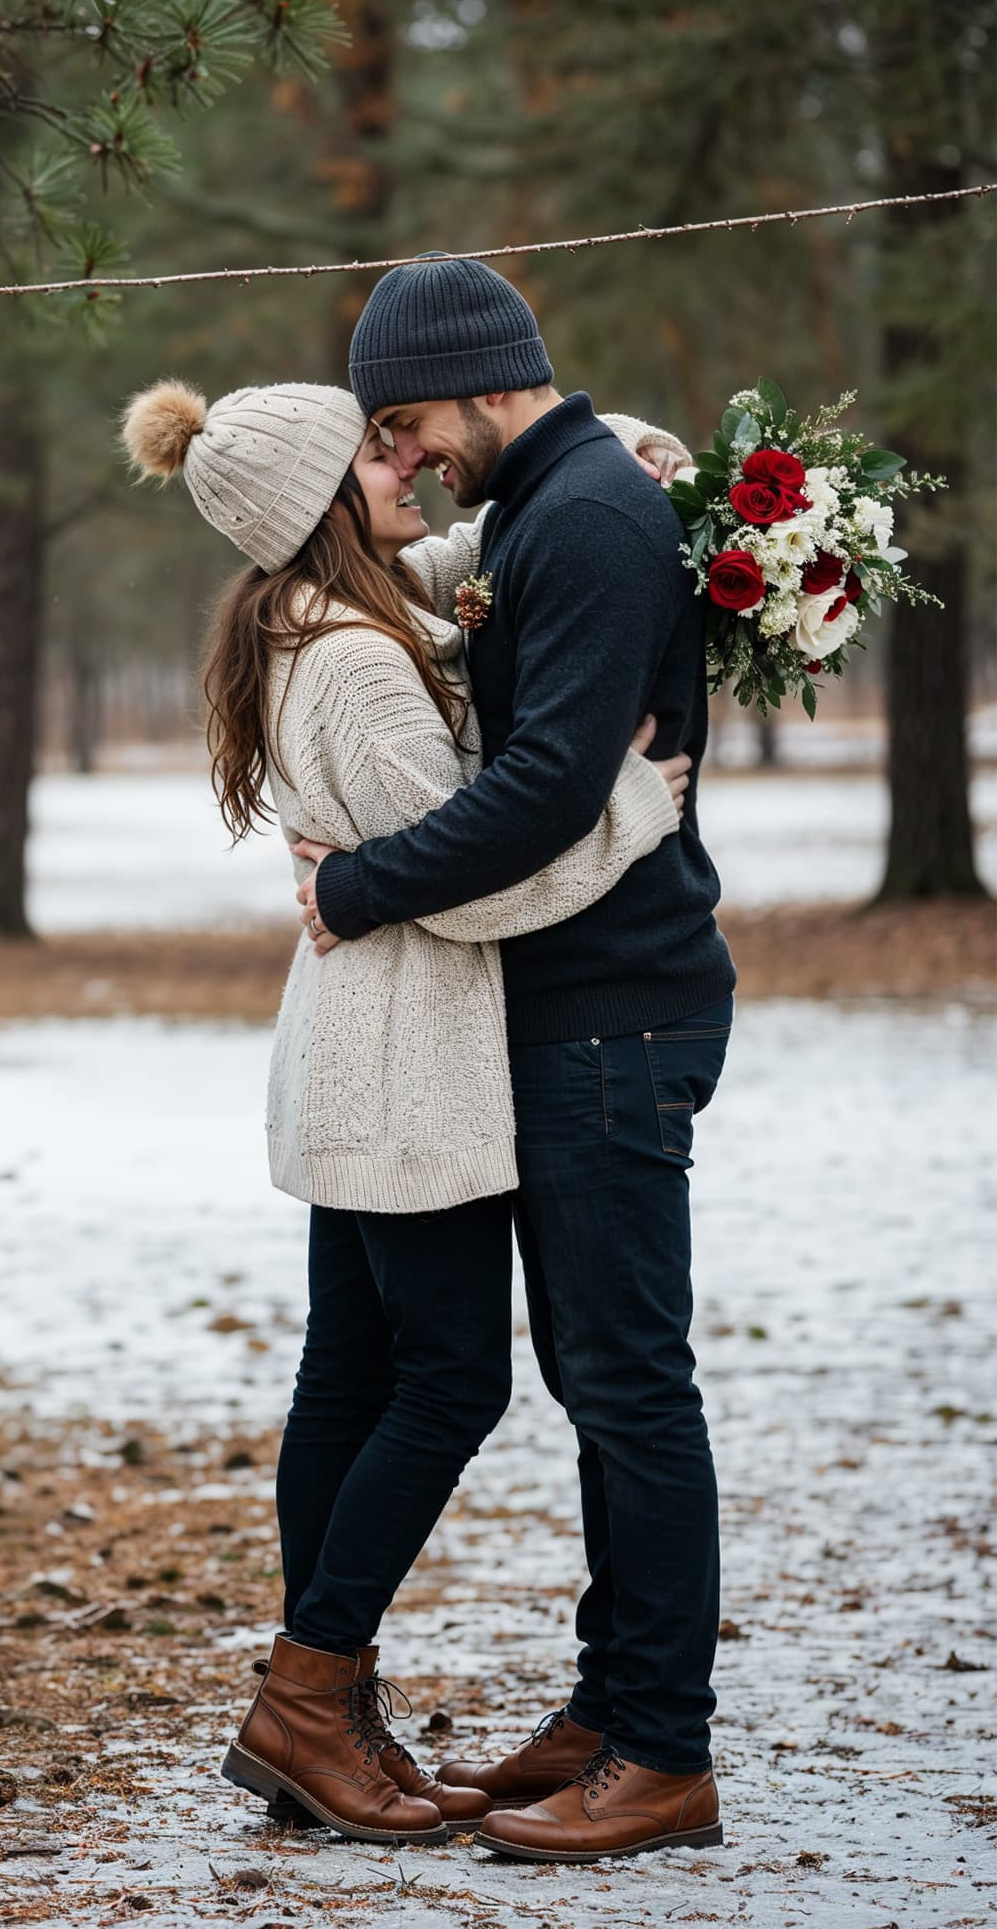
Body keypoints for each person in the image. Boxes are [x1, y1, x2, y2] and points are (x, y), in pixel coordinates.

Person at [120, 371, 693, 1847]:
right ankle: (308, 1698)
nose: (408, 467)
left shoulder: (317, 612)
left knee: (350, 1373)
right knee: (450, 1383)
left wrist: (618, 454)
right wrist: (638, 803)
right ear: (322, 501)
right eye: (376, 456)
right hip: (403, 1058)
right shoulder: (362, 669)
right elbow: (477, 882)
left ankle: (325, 1701)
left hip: (352, 1042)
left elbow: (466, 555)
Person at [290, 254, 737, 1865]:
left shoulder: (590, 515)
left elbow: (550, 788)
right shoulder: (548, 506)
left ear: (484, 380)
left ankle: (663, 1747)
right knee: (593, 1379)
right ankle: (610, 1709)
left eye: (409, 425)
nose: (405, 457)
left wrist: (358, 885)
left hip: (615, 1007)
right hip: (561, 1004)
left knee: (627, 1379)